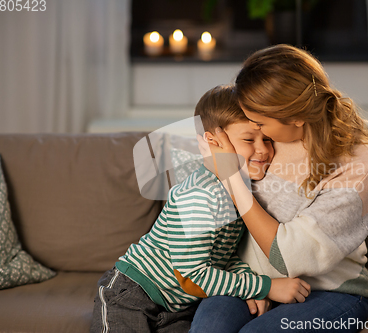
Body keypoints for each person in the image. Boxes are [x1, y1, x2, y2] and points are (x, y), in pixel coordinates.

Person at [191, 45, 368, 333]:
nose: (259, 134)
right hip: (251, 281)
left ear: (296, 117)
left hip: (331, 292)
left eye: (260, 123)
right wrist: (254, 284)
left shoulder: (358, 162)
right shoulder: (265, 139)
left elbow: (289, 257)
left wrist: (231, 178)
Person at [89, 85, 310, 333]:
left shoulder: (238, 193)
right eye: (249, 139)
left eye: (267, 139)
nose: (264, 150)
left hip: (178, 305)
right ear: (213, 142)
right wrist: (265, 286)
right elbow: (192, 276)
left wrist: (249, 288)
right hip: (133, 292)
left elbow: (222, 259)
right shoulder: (201, 197)